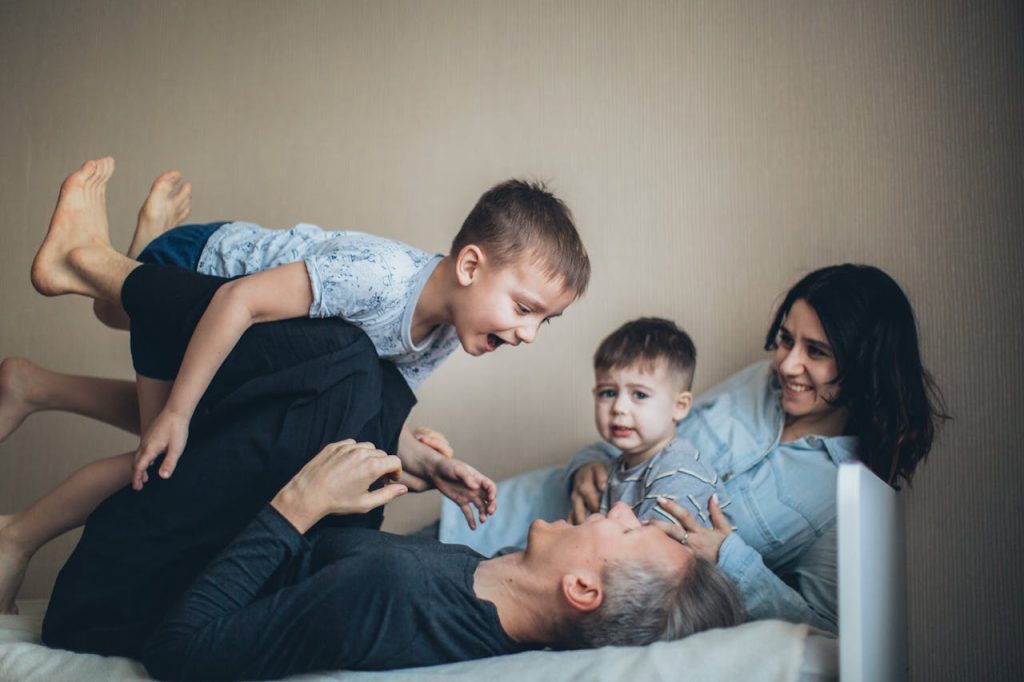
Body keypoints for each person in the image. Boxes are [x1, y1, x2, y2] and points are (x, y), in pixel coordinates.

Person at [4, 157, 573, 612]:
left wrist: (424, 464)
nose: (528, 333)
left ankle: (37, 382)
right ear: (470, 268)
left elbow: (370, 411)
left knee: (155, 369)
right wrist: (174, 413)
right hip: (205, 271)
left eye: (543, 320)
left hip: (240, 333)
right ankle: (17, 535)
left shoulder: (446, 333)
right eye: (524, 308)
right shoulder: (380, 278)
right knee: (164, 456)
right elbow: (237, 301)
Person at [440, 264, 947, 634]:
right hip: (517, 511)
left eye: (816, 352)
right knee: (395, 557)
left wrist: (733, 560)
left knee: (418, 605)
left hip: (567, 588)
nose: (788, 364)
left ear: (863, 365)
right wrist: (585, 466)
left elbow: (824, 628)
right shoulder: (755, 384)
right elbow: (649, 429)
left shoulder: (849, 490)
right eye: (786, 339)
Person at [139, 440, 746, 680]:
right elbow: (318, 577)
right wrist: (410, 475)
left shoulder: (399, 595)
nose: (620, 509)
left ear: (584, 590)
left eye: (630, 530)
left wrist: (296, 506)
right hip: (213, 538)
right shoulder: (494, 585)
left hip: (143, 586)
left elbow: (178, 652)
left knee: (344, 361)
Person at [585, 317, 724, 524]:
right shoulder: (617, 467)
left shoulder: (679, 472)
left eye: (639, 395)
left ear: (680, 406)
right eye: (608, 393)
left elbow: (652, 554)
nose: (619, 408)